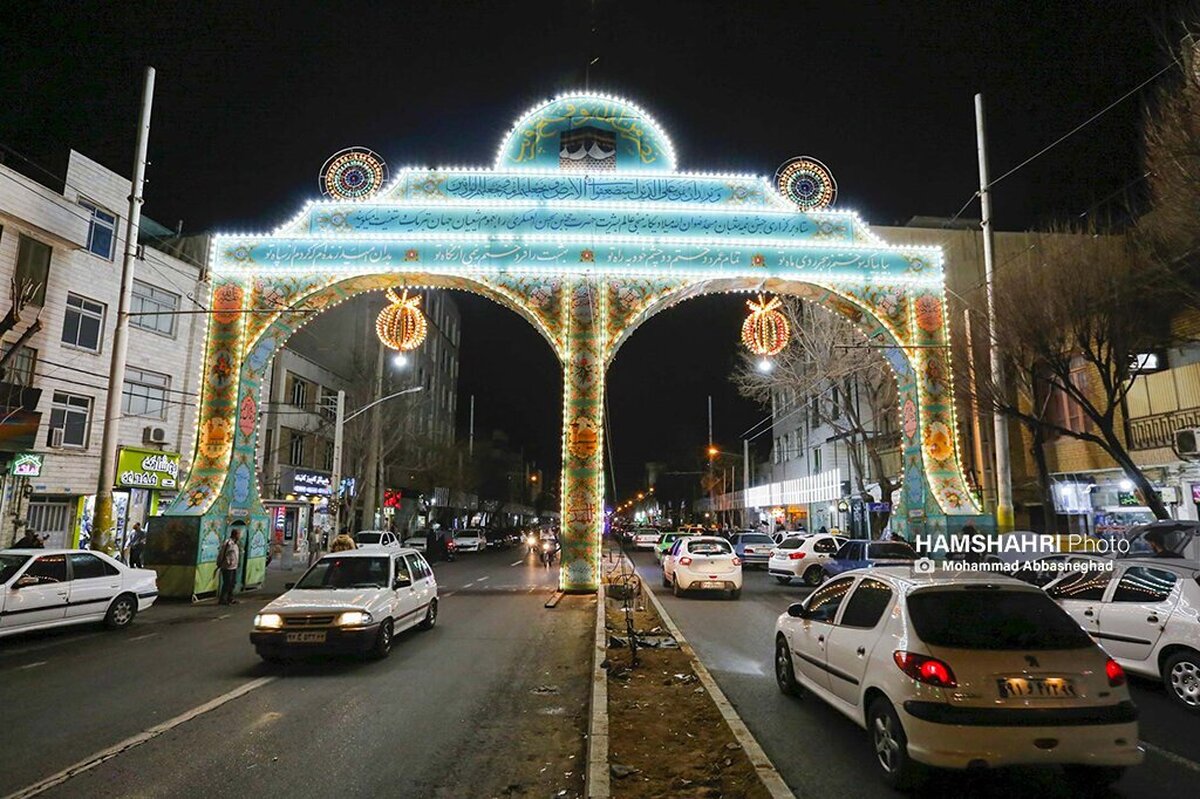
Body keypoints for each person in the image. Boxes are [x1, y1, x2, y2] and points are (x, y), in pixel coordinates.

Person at [217, 527, 242, 605]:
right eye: (239, 534)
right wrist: (220, 562)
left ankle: (230, 598)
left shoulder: (235, 544)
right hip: (227, 566)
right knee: (227, 583)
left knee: (232, 583)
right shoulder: (228, 543)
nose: (240, 536)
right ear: (235, 535)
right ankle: (222, 600)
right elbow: (222, 553)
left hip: (234, 566)